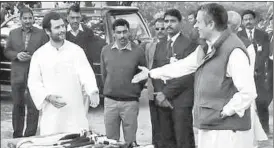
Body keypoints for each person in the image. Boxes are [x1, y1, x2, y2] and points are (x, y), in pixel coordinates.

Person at [132, 3, 257, 148]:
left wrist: (223, 113)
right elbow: (183, 66)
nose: (195, 26)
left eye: (198, 22)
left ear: (210, 24)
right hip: (210, 126)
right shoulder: (207, 47)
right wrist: (151, 73)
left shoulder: (234, 51)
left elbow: (248, 92)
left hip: (228, 131)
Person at [28, 11, 99, 135]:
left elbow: (86, 73)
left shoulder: (76, 51)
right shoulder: (39, 55)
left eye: (63, 26)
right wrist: (48, 97)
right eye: (57, 27)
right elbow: (34, 82)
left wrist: (93, 91)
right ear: (47, 31)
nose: (62, 30)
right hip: (52, 114)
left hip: (74, 113)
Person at [151, 9, 196, 148]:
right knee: (165, 140)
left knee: (183, 140)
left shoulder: (190, 44)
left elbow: (188, 75)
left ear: (180, 23)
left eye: (172, 21)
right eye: (166, 21)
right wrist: (160, 94)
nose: (168, 24)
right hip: (161, 101)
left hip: (181, 101)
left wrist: (166, 94)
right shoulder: (160, 44)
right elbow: (155, 71)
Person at [100, 18, 146, 147]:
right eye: (118, 32)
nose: (122, 36)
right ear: (113, 33)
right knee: (110, 141)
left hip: (130, 103)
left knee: (130, 142)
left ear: (129, 32)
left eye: (125, 32)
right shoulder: (105, 50)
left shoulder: (138, 52)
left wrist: (133, 90)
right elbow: (104, 74)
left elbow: (143, 75)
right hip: (110, 103)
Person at [4, 7, 48, 138]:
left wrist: (33, 56)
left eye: (30, 18)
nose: (28, 21)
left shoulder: (41, 34)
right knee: (17, 105)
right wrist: (17, 55)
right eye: (25, 18)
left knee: (33, 107)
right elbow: (7, 51)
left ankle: (30, 136)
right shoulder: (13, 33)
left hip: (35, 76)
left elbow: (46, 52)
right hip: (17, 75)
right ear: (20, 19)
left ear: (33, 19)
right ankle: (17, 135)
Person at [228, 10, 268, 148]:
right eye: (245, 19)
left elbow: (253, 65)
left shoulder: (247, 42)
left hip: (247, 84)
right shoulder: (231, 39)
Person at [66, 4, 106, 113]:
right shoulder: (63, 32)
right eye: (72, 17)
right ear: (67, 18)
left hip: (84, 73)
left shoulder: (88, 32)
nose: (75, 20)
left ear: (81, 17)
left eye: (77, 17)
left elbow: (92, 53)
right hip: (67, 74)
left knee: (83, 109)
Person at [237, 10, 271, 135]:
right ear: (242, 21)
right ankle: (244, 130)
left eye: (250, 19)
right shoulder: (238, 35)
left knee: (262, 101)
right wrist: (247, 70)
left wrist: (256, 69)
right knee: (243, 102)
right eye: (245, 19)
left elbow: (265, 54)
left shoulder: (263, 35)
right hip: (244, 74)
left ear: (255, 20)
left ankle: (265, 129)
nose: (248, 22)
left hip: (259, 74)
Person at [142, 17, 166, 148]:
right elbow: (147, 67)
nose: (160, 31)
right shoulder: (149, 46)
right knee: (155, 122)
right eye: (157, 29)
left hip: (168, 90)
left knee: (167, 124)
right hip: (153, 90)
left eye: (163, 28)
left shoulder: (172, 45)